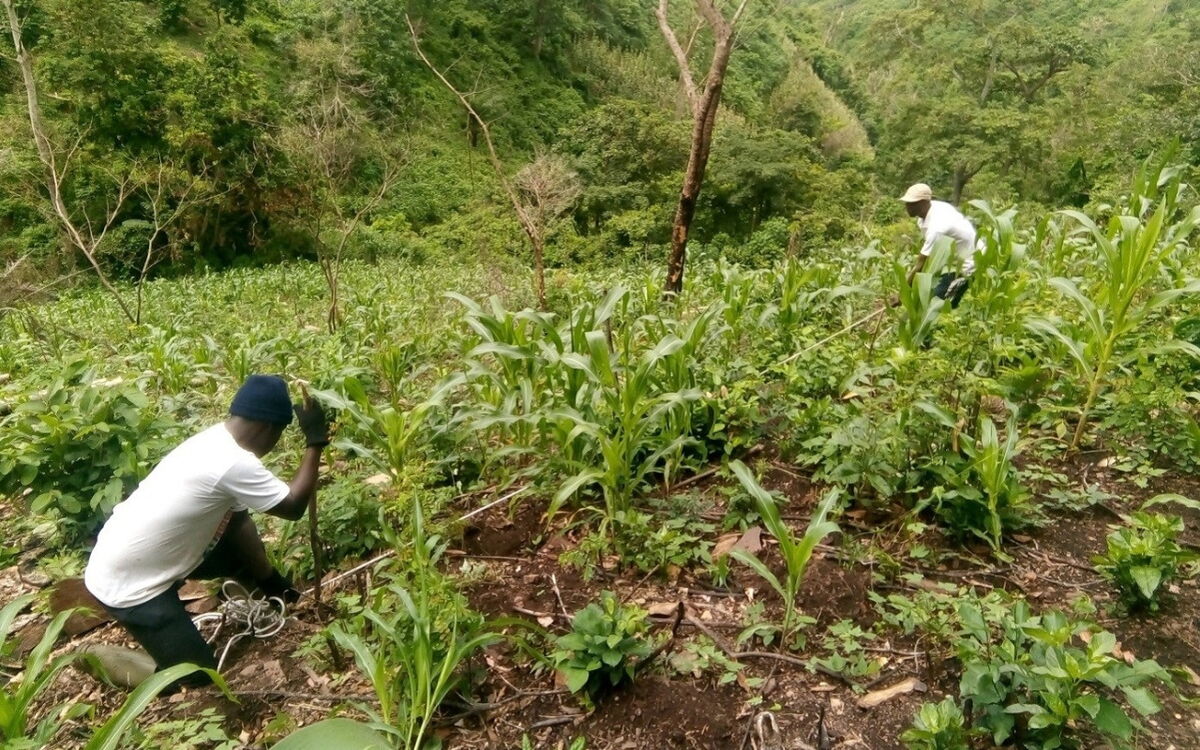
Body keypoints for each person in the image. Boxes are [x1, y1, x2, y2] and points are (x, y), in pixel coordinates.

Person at [83, 374, 329, 686]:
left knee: (236, 543)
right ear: (270, 428)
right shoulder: (233, 463)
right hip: (129, 584)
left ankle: (260, 603)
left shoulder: (214, 440)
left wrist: (271, 583)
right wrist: (315, 442)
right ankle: (99, 657)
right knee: (196, 678)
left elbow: (239, 522)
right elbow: (293, 507)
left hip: (141, 554)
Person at [898, 183, 978, 308]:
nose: (907, 206)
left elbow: (921, 263)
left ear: (924, 202)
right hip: (950, 263)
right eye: (907, 203)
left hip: (966, 267)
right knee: (926, 295)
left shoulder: (937, 225)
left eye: (912, 203)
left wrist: (903, 293)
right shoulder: (929, 212)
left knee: (935, 304)